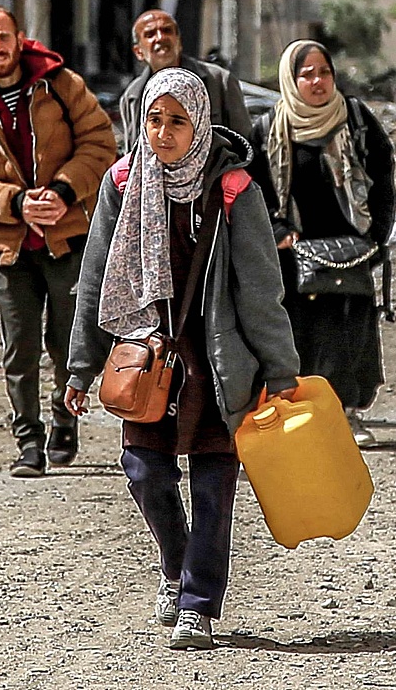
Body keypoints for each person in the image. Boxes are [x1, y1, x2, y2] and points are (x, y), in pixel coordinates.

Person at [65, 69, 298, 652]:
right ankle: (177, 565)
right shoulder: (123, 183)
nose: (163, 132)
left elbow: (259, 289)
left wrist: (280, 371)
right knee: (145, 472)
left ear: (199, 123)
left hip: (218, 360)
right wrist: (79, 366)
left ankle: (197, 604)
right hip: (146, 357)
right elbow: (95, 280)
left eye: (177, 120)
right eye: (153, 118)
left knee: (214, 487)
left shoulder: (233, 189)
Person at [0, 5, 117, 477]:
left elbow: (101, 145)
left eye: (4, 38)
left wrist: (63, 192)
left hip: (67, 238)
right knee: (18, 347)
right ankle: (28, 443)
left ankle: (65, 420)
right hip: (8, 247)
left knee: (66, 341)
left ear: (20, 38)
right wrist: (17, 204)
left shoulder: (61, 86)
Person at [246, 40, 395, 447]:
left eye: (324, 72)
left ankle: (347, 414)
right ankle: (305, 417)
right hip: (295, 256)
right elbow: (254, 190)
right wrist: (277, 233)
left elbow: (383, 175)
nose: (317, 82)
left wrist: (377, 234)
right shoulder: (268, 129)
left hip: (351, 253)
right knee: (302, 338)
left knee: (350, 334)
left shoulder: (357, 119)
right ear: (291, 81)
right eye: (306, 74)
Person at [116, 10, 244, 146]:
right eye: (150, 34)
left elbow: (245, 145)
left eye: (167, 31)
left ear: (179, 42)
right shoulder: (132, 97)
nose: (160, 38)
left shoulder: (219, 82)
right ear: (138, 52)